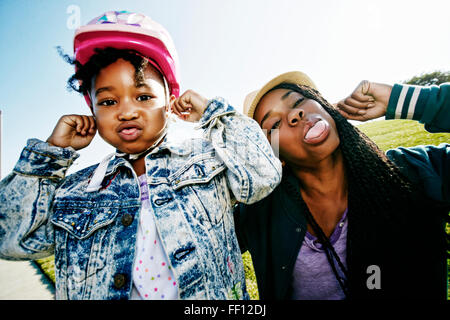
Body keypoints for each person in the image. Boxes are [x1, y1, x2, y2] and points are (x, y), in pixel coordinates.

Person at [0, 11, 282, 300]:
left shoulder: (207, 161)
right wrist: (50, 156)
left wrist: (213, 112)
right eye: (108, 101)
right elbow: (11, 237)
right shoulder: (77, 190)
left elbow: (263, 175)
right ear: (93, 113)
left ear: (171, 104)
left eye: (143, 97)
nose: (126, 111)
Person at [235, 71, 449, 299]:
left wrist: (401, 100)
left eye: (298, 101)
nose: (295, 114)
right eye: (275, 123)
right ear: (274, 155)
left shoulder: (413, 171)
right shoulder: (260, 213)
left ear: (325, 107)